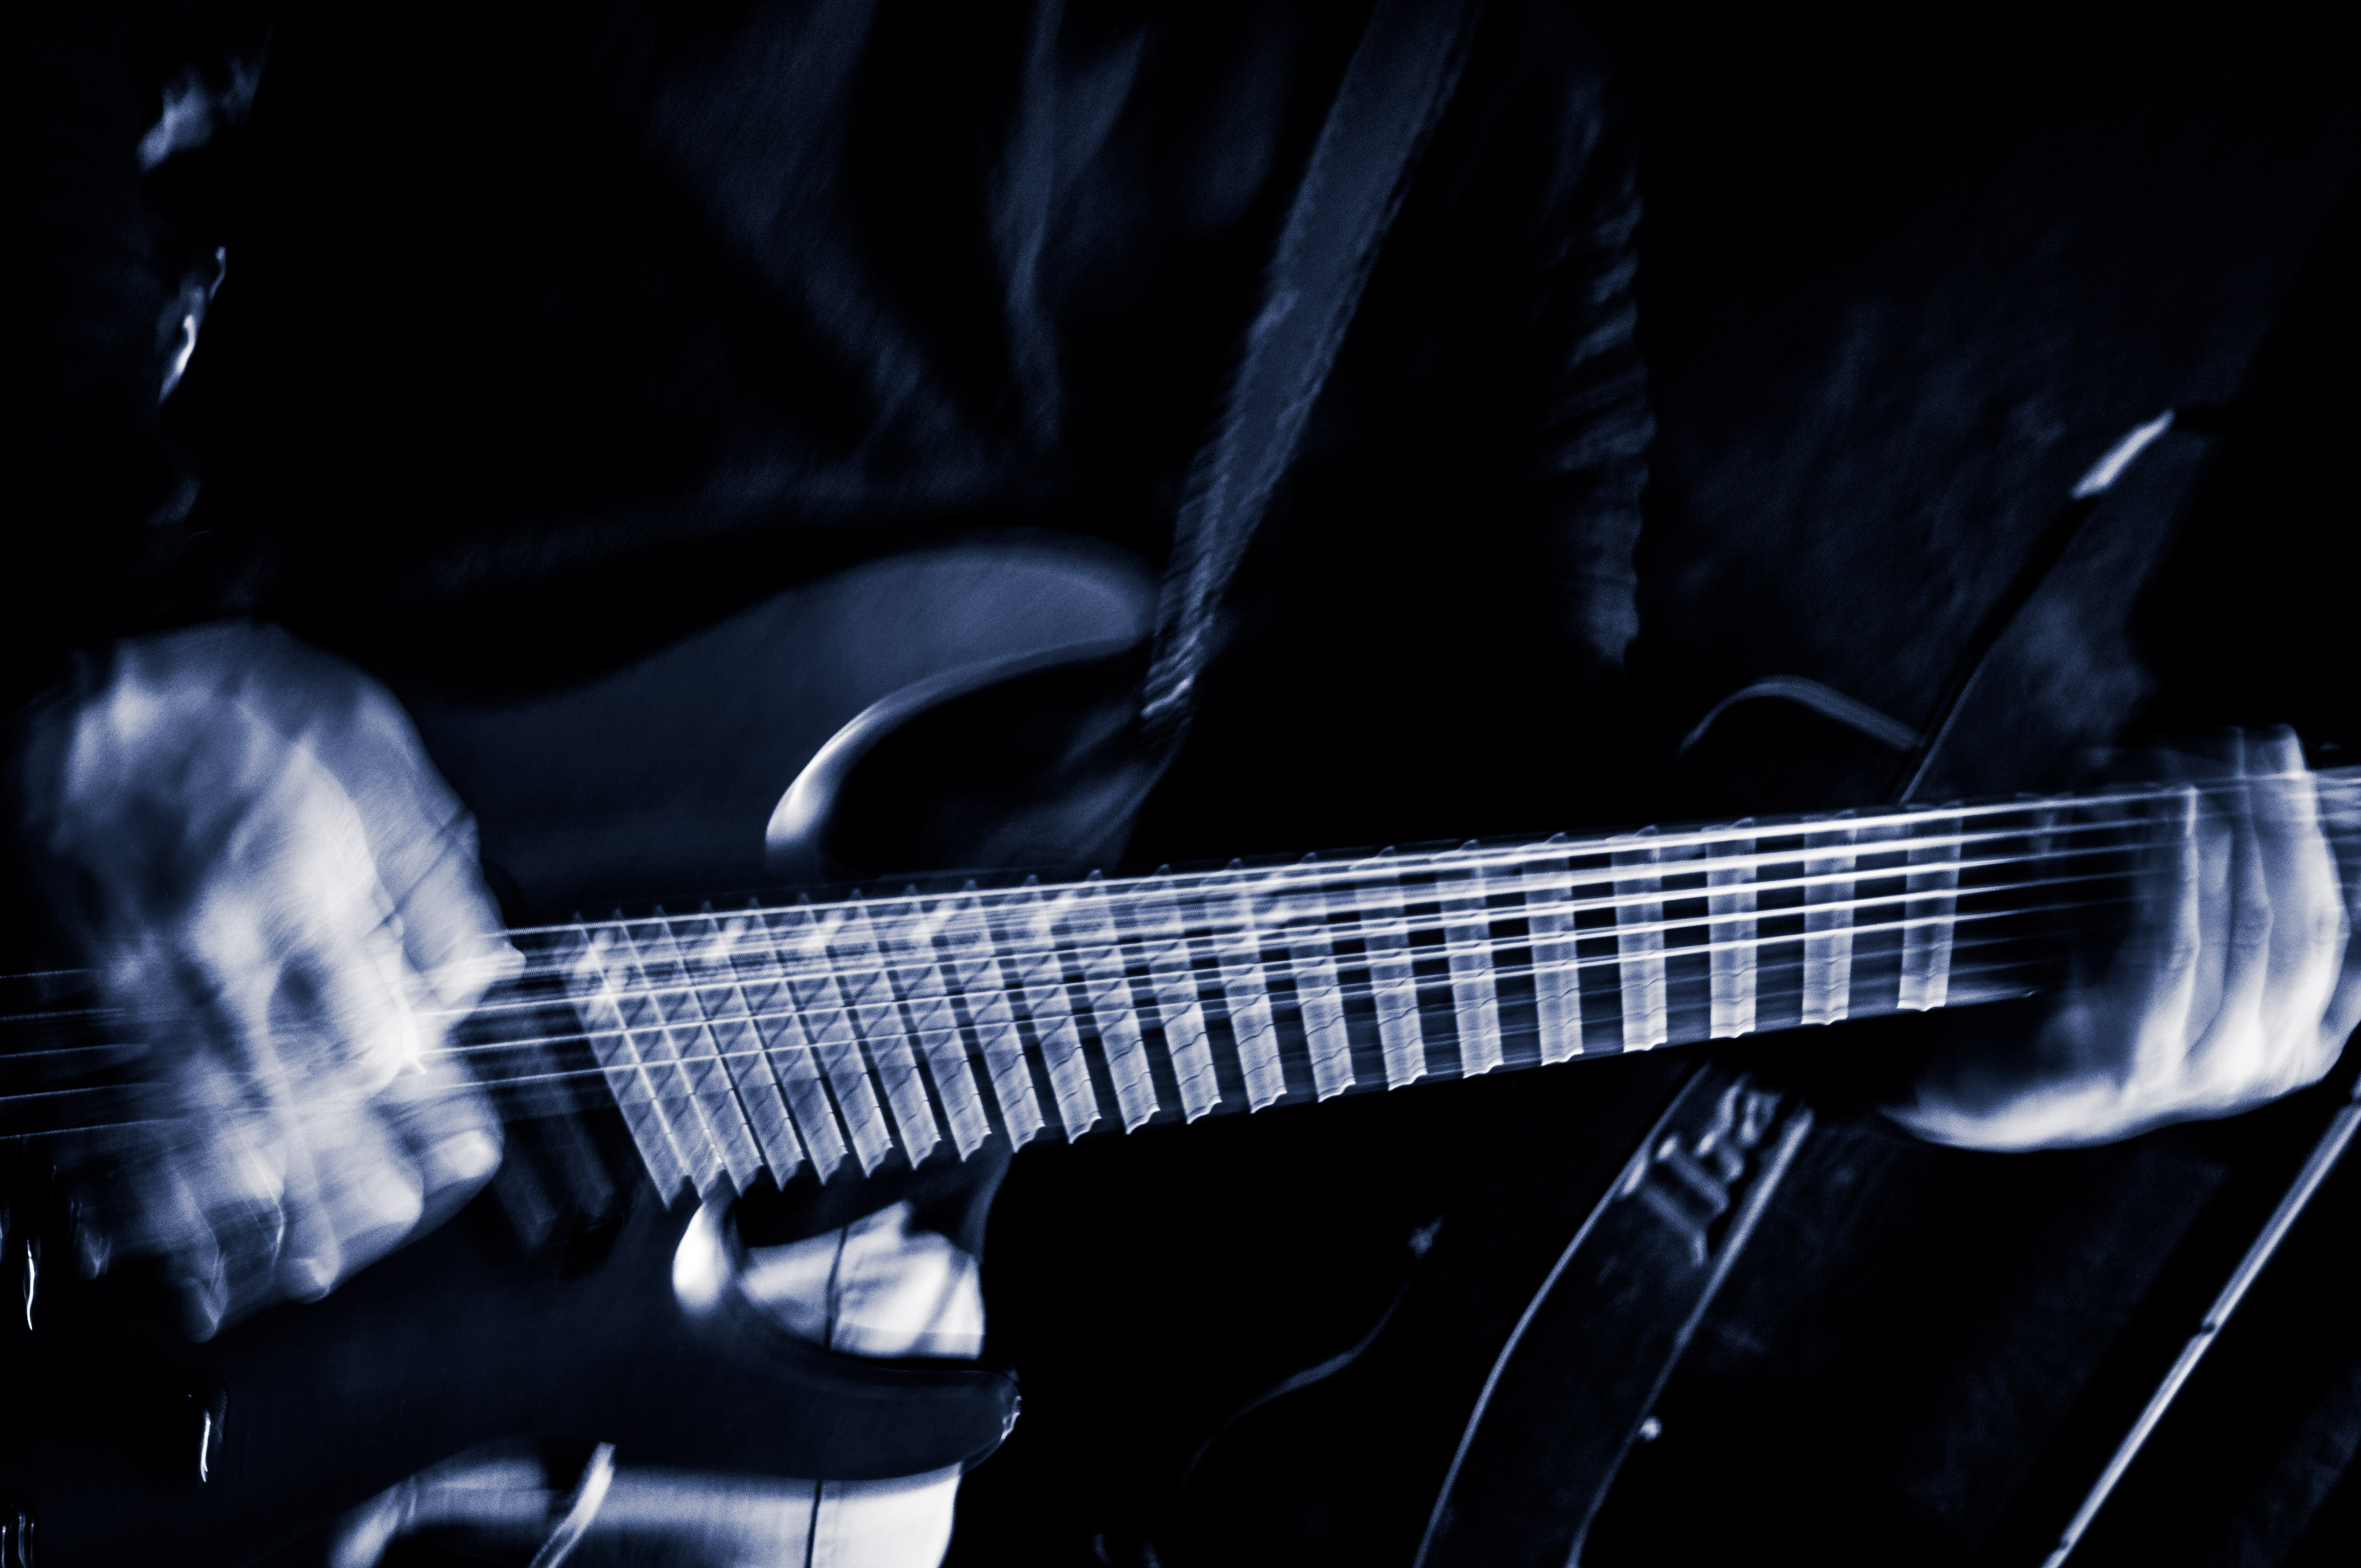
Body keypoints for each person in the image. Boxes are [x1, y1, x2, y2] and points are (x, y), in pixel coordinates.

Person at [7, 2, 2356, 1563]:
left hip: (785, 1263)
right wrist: (119, 631)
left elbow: (1500, 765)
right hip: (130, 959)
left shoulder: (1488, 108)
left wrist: (1921, 1023)